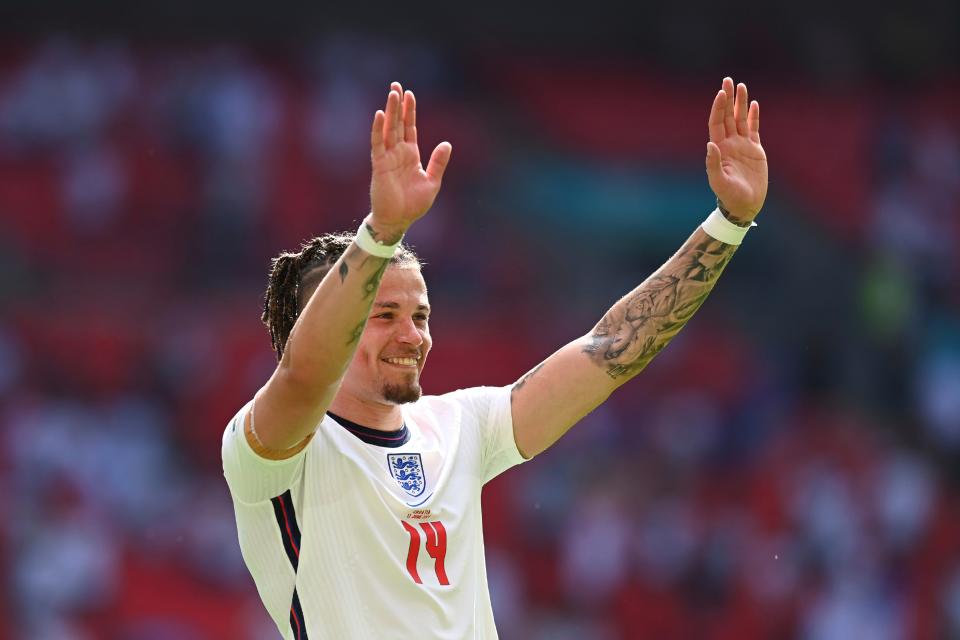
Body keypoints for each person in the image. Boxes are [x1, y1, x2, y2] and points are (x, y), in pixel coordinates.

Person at [221, 77, 767, 639]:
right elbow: (306, 372)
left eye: (421, 315)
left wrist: (727, 224)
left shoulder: (462, 425)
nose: (412, 334)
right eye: (382, 316)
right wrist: (380, 234)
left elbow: (610, 351)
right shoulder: (271, 453)